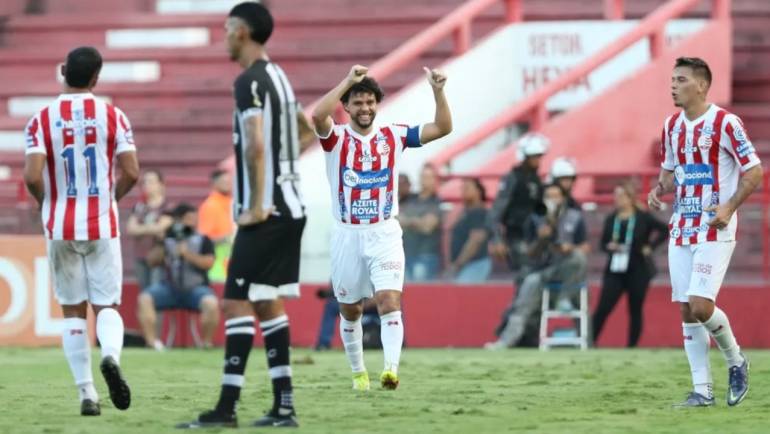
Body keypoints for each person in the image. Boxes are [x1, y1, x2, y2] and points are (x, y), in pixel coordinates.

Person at [177, 2, 315, 428]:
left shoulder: (248, 82)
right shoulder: (279, 77)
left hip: (266, 212)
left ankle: (225, 409)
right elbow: (305, 130)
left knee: (237, 302)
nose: (222, 36)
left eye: (225, 28)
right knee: (265, 301)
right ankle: (284, 407)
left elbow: (255, 143)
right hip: (291, 205)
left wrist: (256, 204)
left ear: (241, 31)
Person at [311, 64, 452, 390]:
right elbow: (317, 117)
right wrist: (347, 80)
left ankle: (390, 370)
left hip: (384, 231)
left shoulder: (394, 136)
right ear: (346, 107)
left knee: (390, 300)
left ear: (377, 105)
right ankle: (359, 372)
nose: (365, 108)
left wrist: (438, 90)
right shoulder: (336, 139)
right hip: (347, 234)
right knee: (350, 309)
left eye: (370, 102)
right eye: (357, 103)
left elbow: (443, 127)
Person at [22, 46, 138, 416]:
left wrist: (46, 203)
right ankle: (111, 356)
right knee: (107, 304)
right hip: (101, 223)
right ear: (95, 78)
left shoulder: (40, 119)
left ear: (62, 71)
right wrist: (110, 200)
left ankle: (87, 394)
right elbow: (132, 172)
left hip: (60, 225)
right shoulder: (112, 115)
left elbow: (30, 175)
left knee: (73, 312)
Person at [648, 57, 762, 407]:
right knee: (685, 309)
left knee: (700, 305)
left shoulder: (726, 123)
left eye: (680, 79)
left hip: (715, 226)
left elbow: (754, 171)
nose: (673, 85)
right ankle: (702, 392)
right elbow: (670, 171)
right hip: (682, 226)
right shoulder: (671, 126)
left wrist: (728, 207)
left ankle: (736, 360)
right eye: (672, 79)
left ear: (701, 85)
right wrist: (659, 189)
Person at [486, 183, 588, 349]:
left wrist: (570, 248)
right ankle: (506, 341)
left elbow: (585, 247)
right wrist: (541, 239)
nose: (552, 200)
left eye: (556, 196)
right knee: (523, 301)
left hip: (566, 270)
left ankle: (565, 301)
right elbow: (530, 253)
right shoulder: (535, 219)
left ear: (563, 198)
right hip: (542, 270)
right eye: (548, 196)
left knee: (578, 258)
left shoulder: (574, 217)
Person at [592, 182, 668, 347]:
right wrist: (609, 246)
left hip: (638, 268)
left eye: (621, 196)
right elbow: (602, 243)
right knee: (603, 307)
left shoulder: (642, 217)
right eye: (616, 196)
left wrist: (651, 247)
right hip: (615, 268)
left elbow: (665, 230)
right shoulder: (612, 218)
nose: (617, 200)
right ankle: (591, 341)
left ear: (630, 198)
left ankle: (632, 345)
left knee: (635, 309)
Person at [137, 203, 220, 350]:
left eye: (195, 219)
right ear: (178, 220)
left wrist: (186, 254)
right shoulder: (168, 239)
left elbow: (208, 263)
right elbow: (151, 261)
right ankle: (151, 343)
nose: (193, 222)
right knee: (145, 299)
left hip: (196, 288)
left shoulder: (203, 239)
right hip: (169, 287)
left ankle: (206, 343)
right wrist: (163, 242)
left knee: (211, 303)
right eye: (189, 219)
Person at [488, 132, 548, 273]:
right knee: (525, 273)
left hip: (533, 237)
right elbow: (496, 212)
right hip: (515, 236)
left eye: (539, 156)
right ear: (525, 157)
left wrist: (543, 226)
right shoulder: (513, 178)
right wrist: (497, 239)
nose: (538, 160)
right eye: (534, 157)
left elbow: (540, 209)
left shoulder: (536, 180)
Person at [126, 169, 172, 290]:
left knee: (156, 291)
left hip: (159, 257)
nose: (147, 185)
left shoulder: (167, 206)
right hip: (140, 256)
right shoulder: (139, 207)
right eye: (144, 182)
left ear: (161, 185)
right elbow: (130, 229)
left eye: (151, 182)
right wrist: (153, 228)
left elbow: (162, 226)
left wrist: (141, 228)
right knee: (144, 291)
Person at [399, 164, 443, 281]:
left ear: (434, 180)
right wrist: (418, 222)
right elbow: (396, 219)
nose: (425, 180)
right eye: (423, 176)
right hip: (405, 255)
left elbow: (427, 227)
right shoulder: (410, 199)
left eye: (428, 177)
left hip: (426, 256)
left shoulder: (436, 202)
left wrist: (408, 221)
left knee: (419, 291)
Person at [446, 178, 492, 283]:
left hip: (475, 264)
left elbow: (476, 240)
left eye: (467, 188)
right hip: (465, 265)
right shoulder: (466, 212)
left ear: (478, 191)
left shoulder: (479, 212)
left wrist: (457, 264)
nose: (464, 191)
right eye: (463, 188)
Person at [197, 169, 235, 282]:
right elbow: (204, 239)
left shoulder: (233, 202)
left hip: (231, 260)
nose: (228, 184)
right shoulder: (210, 206)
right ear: (214, 183)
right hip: (217, 264)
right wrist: (227, 237)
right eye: (224, 181)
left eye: (229, 181)